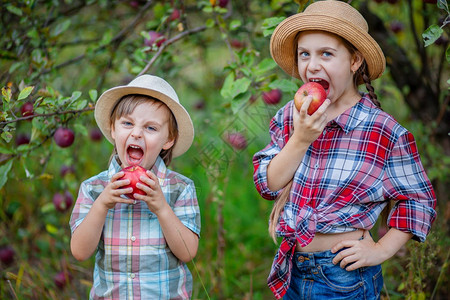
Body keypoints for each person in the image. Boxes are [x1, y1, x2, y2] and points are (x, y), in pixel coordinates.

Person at [252, 1, 437, 299]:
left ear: (354, 61)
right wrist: (300, 139)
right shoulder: (291, 116)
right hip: (291, 268)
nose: (312, 65)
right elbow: (267, 184)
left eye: (326, 53)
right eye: (304, 54)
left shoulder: (380, 130)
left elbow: (418, 200)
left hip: (344, 276)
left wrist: (380, 250)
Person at [70, 74, 201, 299]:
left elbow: (188, 252)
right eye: (127, 123)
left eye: (150, 128)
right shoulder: (94, 188)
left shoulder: (180, 189)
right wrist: (102, 205)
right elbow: (80, 251)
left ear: (168, 139)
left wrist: (162, 208)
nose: (137, 133)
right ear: (113, 129)